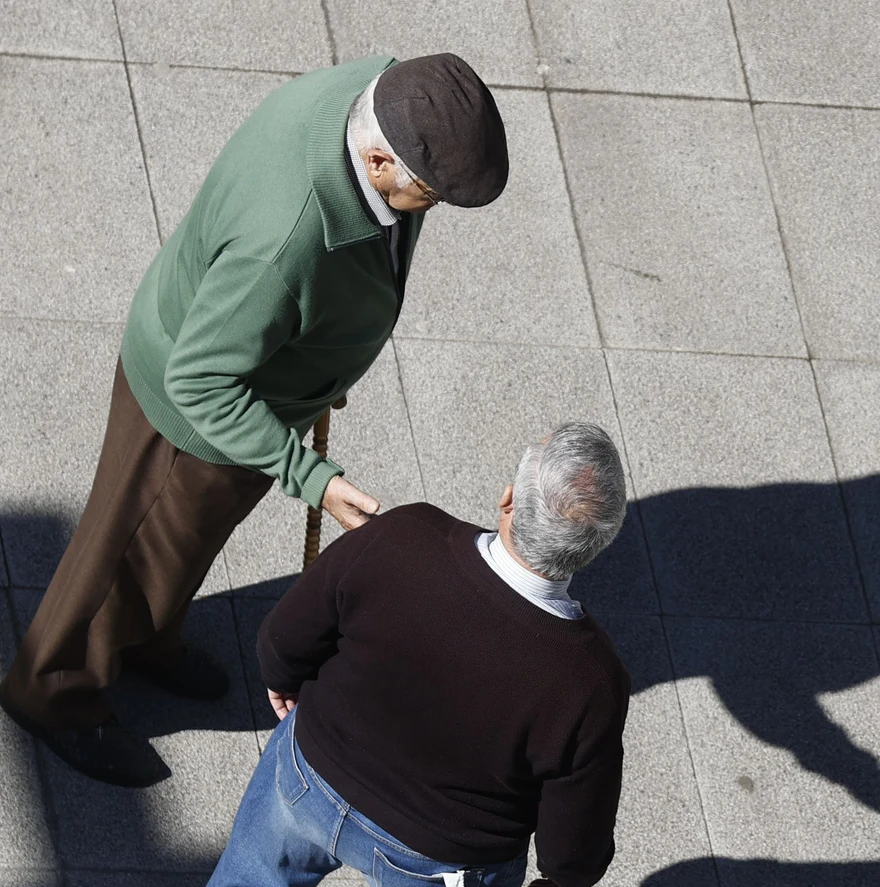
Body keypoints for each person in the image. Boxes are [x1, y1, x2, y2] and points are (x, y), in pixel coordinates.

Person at [0, 52, 510, 787]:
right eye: (426, 193)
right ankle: (51, 688)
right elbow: (200, 380)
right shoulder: (286, 242)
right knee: (124, 548)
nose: (429, 207)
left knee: (176, 550)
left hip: (254, 379)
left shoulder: (375, 97)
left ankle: (146, 636)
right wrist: (311, 477)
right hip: (191, 418)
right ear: (375, 159)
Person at [152, 423, 631, 887]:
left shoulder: (408, 535)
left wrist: (285, 680)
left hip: (310, 775)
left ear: (508, 498)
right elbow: (577, 810)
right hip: (439, 860)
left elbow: (286, 636)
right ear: (595, 547)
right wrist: (568, 875)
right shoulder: (590, 677)